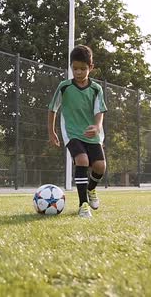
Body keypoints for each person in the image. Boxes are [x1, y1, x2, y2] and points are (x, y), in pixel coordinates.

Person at [47, 45, 107, 218]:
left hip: (92, 134)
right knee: (81, 160)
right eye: (75, 68)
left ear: (91, 68)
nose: (78, 72)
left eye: (83, 68)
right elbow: (53, 109)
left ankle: (91, 189)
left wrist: (96, 127)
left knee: (100, 166)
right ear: (71, 67)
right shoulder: (64, 87)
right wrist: (51, 132)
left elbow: (99, 112)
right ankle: (83, 205)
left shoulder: (96, 89)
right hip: (72, 132)